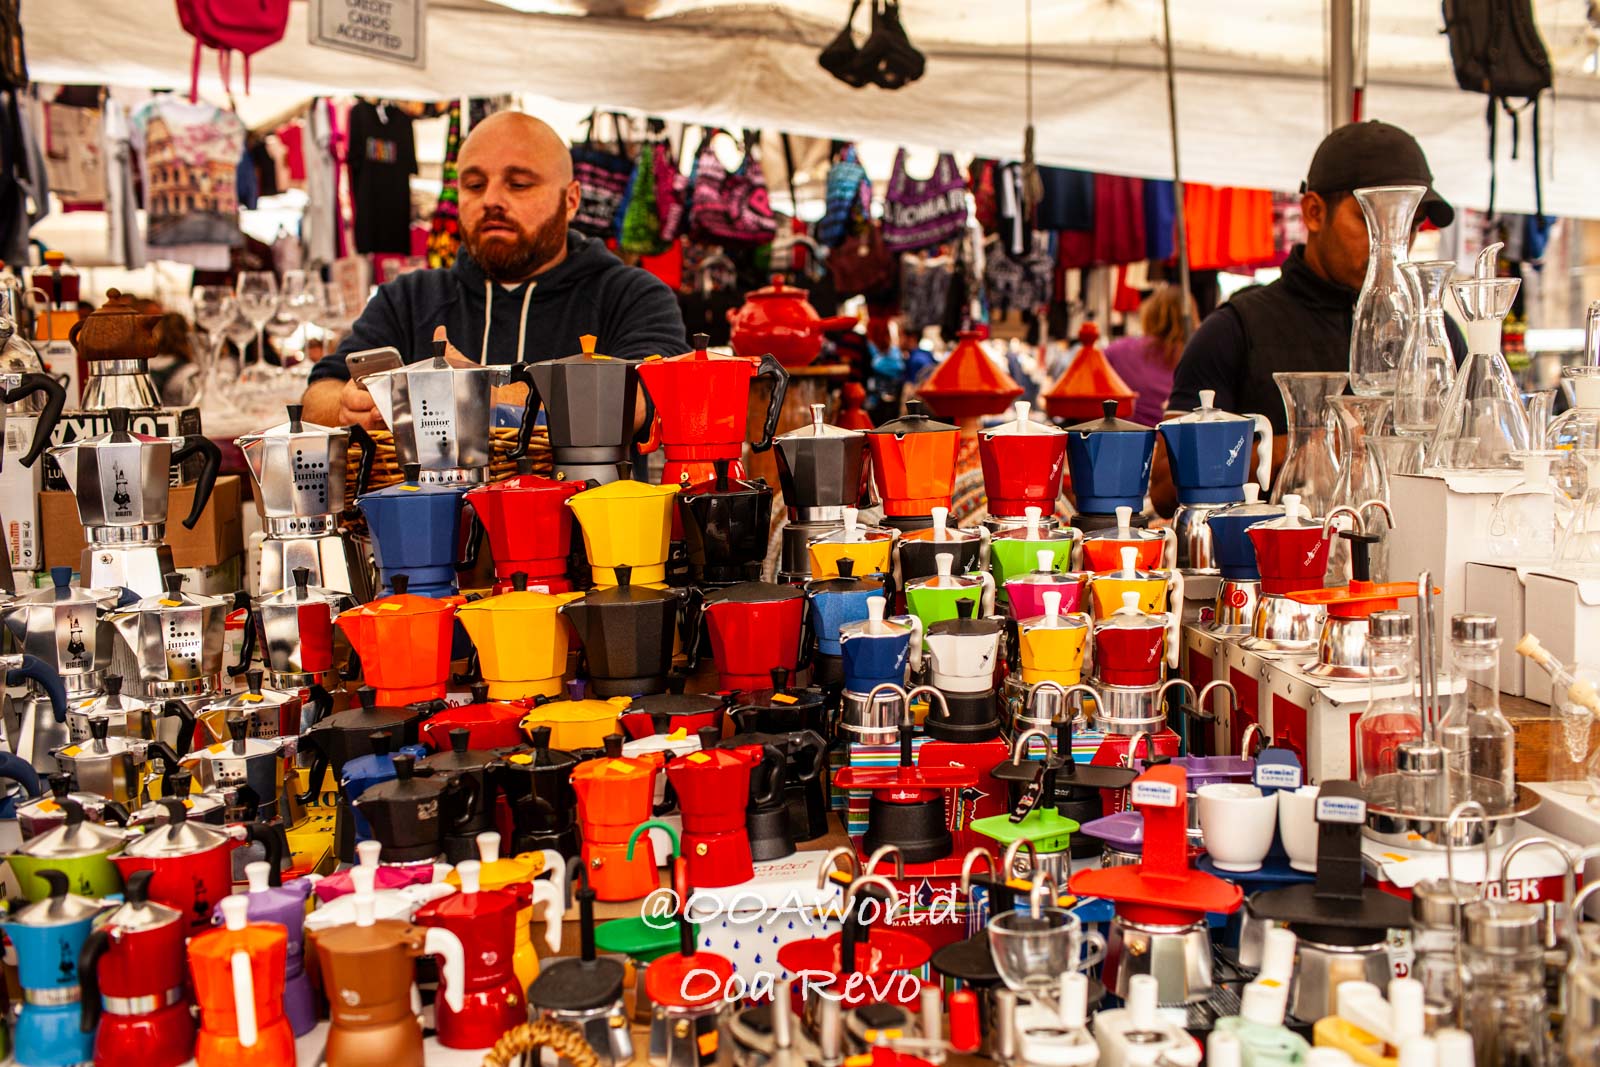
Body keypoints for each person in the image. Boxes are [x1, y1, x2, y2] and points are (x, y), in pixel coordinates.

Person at [302, 111, 686, 428]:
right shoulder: (407, 298)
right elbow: (320, 392)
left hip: (585, 520)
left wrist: (483, 394)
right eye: (473, 184)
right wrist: (345, 406)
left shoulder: (633, 294)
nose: (491, 200)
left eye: (518, 184)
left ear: (570, 201)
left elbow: (647, 398)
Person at [1152, 119, 1458, 513]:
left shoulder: (1436, 337)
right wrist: (1301, 447)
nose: (1393, 242)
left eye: (1408, 224)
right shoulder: (1235, 328)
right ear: (1314, 212)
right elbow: (1163, 485)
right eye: (1370, 220)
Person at [1103, 285, 1196, 426]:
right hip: (1176, 441)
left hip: (1128, 439)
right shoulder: (1193, 358)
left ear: (1150, 313)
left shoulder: (1119, 350)